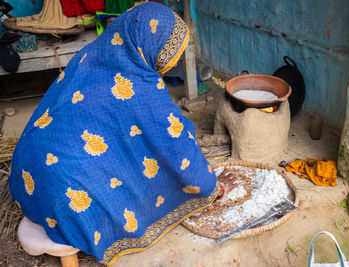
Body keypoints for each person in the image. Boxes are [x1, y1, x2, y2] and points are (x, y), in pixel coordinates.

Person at [8, 2, 235, 265]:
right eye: (171, 53)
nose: (173, 59)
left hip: (26, 174)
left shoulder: (92, 54)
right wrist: (212, 187)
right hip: (65, 200)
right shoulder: (142, 87)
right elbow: (176, 147)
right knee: (147, 172)